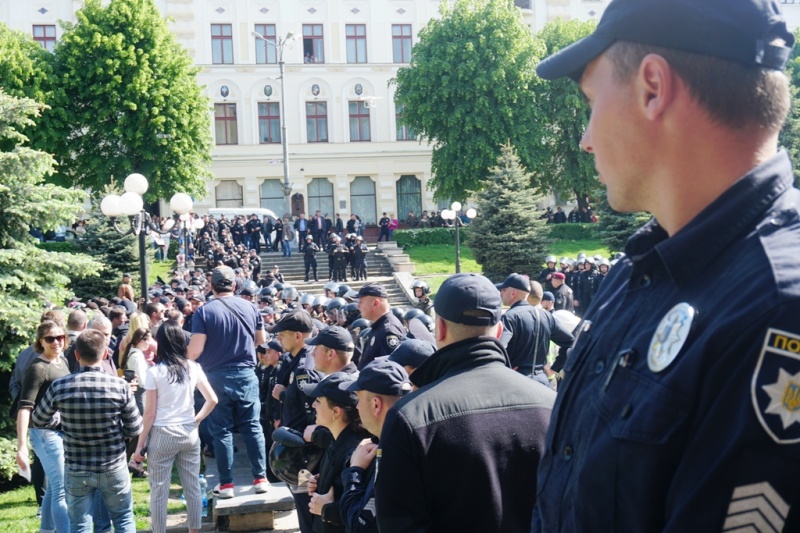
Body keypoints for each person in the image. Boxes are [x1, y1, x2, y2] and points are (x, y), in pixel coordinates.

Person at [532, 0, 800, 531]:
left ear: (652, 86)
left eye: (590, 101)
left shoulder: (777, 310)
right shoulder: (640, 269)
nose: (585, 138)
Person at [375, 273, 556, 532]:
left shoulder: (411, 415)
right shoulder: (553, 404)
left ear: (440, 329)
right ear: (500, 330)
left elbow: (398, 523)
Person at [32, 329, 142, 533]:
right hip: (113, 465)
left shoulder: (60, 386)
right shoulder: (120, 386)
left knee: (79, 524)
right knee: (123, 518)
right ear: (104, 353)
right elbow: (135, 427)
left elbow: (38, 419)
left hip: (76, 467)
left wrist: (59, 418)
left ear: (76, 355)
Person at [187, 266, 269, 498]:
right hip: (245, 374)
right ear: (234, 286)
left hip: (215, 377)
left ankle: (226, 485)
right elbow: (260, 340)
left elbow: (194, 351)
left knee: (220, 431)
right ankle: (260, 478)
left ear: (211, 286)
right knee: (252, 427)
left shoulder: (203, 312)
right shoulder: (251, 307)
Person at [133, 321, 218, 533]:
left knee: (159, 490)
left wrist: (139, 447)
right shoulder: (193, 367)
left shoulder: (155, 372)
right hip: (189, 432)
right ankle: (194, 530)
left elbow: (150, 413)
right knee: (192, 486)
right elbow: (212, 400)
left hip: (162, 433)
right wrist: (197, 420)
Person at [338, 359, 412, 533]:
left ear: (376, 405)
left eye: (359, 398)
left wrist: (354, 471)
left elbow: (359, 525)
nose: (356, 406)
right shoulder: (413, 439)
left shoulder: (393, 454)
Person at [16, 320, 71, 533]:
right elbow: (24, 408)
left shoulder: (62, 361)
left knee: (54, 488)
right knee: (61, 489)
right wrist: (21, 446)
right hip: (43, 433)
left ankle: (46, 530)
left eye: (60, 337)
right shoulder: (38, 368)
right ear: (41, 341)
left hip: (60, 431)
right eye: (50, 339)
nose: (56, 342)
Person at [303, 373, 369, 533]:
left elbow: (364, 512)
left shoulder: (354, 451)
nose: (313, 406)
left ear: (336, 412)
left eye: (318, 401)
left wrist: (328, 509)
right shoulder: (337, 439)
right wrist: (320, 483)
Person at [497, 273, 574, 386]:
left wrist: (505, 370)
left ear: (513, 293)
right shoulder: (546, 316)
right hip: (542, 381)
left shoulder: (509, 317)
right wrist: (554, 368)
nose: (501, 293)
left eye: (503, 290)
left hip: (517, 381)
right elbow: (571, 342)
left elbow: (498, 349)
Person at [355, 283, 406, 369]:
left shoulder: (388, 330)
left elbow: (391, 371)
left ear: (375, 303)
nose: (358, 306)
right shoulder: (379, 326)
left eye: (361, 302)